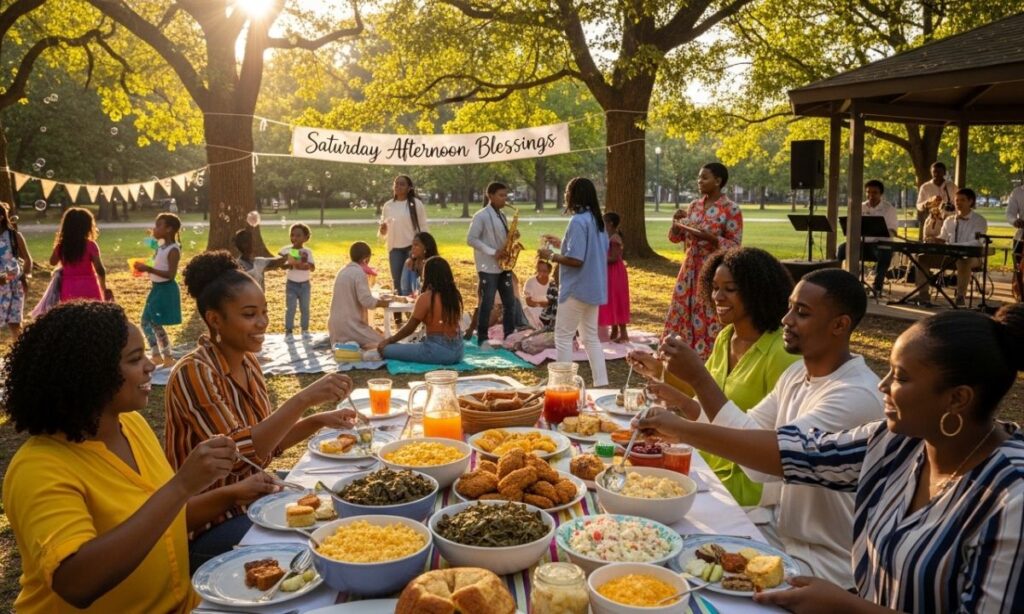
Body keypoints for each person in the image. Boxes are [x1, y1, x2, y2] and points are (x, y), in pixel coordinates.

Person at [639, 305, 1024, 613]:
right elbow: (795, 454)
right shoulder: (898, 441)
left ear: (957, 399)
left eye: (901, 378)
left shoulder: (1011, 497)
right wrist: (681, 427)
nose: (882, 386)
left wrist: (846, 606)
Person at [1, 301, 257, 612]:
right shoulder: (39, 469)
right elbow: (76, 583)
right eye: (135, 359)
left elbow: (159, 519)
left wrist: (233, 495)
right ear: (90, 374)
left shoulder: (131, 425)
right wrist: (182, 485)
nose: (150, 365)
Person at [647, 268, 883, 588]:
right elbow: (749, 429)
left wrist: (698, 382)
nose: (786, 319)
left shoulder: (854, 394)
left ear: (840, 325)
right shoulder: (797, 374)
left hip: (826, 562)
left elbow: (767, 465)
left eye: (801, 312)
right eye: (789, 307)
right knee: (663, 547)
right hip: (776, 532)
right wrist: (686, 406)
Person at [164, 251, 357, 569]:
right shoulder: (194, 372)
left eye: (265, 312)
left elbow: (268, 445)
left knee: (340, 500)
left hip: (252, 498)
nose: (263, 322)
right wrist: (303, 400)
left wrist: (319, 420)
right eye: (250, 314)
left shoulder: (248, 362)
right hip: (208, 524)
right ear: (215, 320)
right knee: (313, 542)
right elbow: (243, 456)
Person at [630, 247, 799, 506]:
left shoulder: (781, 353)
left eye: (730, 289)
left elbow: (779, 447)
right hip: (705, 466)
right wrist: (660, 371)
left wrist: (692, 379)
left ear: (757, 290)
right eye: (715, 287)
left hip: (747, 490)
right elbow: (706, 399)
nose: (718, 296)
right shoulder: (725, 337)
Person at [664, 162, 743, 360]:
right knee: (682, 311)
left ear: (718, 181)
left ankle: (709, 359)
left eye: (705, 177)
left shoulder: (731, 209)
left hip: (712, 271)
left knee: (708, 314)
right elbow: (675, 238)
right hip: (689, 269)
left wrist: (712, 238)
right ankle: (679, 358)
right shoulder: (694, 206)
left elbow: (735, 245)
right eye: (699, 177)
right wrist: (676, 224)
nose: (700, 181)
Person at [538, 177, 610, 387]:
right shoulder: (597, 221)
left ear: (574, 195)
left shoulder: (578, 221)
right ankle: (601, 383)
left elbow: (577, 260)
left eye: (567, 191)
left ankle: (563, 385)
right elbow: (588, 251)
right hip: (593, 288)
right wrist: (561, 244)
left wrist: (550, 255)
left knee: (563, 336)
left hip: (576, 289)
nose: (565, 195)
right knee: (590, 338)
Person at [378, 256, 464, 365]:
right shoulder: (454, 295)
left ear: (428, 275)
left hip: (436, 351)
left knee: (386, 350)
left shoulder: (427, 297)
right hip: (458, 352)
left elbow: (410, 328)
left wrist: (389, 340)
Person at [914, 187, 987, 307]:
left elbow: (977, 242)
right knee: (922, 258)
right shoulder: (949, 220)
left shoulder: (979, 220)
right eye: (956, 200)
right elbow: (942, 237)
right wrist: (935, 240)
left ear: (971, 201)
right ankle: (923, 295)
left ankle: (960, 297)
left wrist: (954, 246)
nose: (958, 203)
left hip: (972, 258)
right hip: (949, 257)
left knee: (963, 261)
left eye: (962, 200)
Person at [467, 181, 516, 346]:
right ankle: (482, 338)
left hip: (503, 265)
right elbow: (471, 239)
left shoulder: (501, 215)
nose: (504, 199)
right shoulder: (480, 216)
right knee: (487, 303)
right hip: (487, 266)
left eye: (505, 195)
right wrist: (493, 251)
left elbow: (501, 238)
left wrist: (512, 237)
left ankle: (509, 336)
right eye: (501, 195)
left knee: (510, 302)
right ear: (490, 196)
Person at [132, 213, 182, 367]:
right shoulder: (162, 246)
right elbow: (156, 260)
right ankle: (162, 356)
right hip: (156, 288)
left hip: (166, 289)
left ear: (169, 229)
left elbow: (171, 275)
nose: (155, 228)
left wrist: (148, 268)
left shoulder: (173, 249)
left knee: (149, 321)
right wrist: (143, 267)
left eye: (159, 225)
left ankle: (162, 355)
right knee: (151, 322)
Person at [835, 180, 897, 298]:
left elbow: (892, 231)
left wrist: (880, 230)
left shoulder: (889, 209)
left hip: (879, 244)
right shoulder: (860, 207)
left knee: (885, 255)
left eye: (875, 193)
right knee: (842, 249)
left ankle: (877, 288)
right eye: (868, 192)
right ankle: (837, 282)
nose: (871, 196)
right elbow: (851, 226)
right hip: (862, 243)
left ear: (881, 194)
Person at [328, 241, 390, 349]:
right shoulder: (359, 273)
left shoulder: (342, 271)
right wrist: (386, 303)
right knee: (384, 342)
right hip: (350, 326)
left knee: (375, 334)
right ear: (365, 259)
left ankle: (350, 344)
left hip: (335, 327)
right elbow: (366, 301)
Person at [379, 175, 429, 298]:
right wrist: (383, 230)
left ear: (409, 188)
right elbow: (384, 232)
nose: (398, 186)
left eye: (402, 184)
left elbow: (422, 227)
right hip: (394, 249)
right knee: (397, 282)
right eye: (396, 184)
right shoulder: (388, 205)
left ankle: (413, 314)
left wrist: (421, 250)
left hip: (411, 249)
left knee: (411, 283)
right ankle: (398, 316)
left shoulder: (416, 204)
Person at [50, 207, 111, 302]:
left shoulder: (62, 246)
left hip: (68, 286)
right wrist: (104, 288)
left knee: (71, 313)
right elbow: (100, 269)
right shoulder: (91, 245)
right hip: (89, 286)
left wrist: (59, 248)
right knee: (90, 312)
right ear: (88, 227)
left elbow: (52, 262)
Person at [0, 202, 31, 339]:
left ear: (1, 217)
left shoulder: (14, 236)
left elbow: (28, 260)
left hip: (15, 286)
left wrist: (25, 277)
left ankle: (19, 355)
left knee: (15, 322)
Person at [599, 212, 631, 343]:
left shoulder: (615, 238)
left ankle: (623, 333)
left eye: (604, 221)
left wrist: (598, 259)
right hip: (608, 272)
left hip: (615, 272)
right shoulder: (607, 236)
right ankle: (614, 329)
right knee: (611, 299)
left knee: (617, 299)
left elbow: (614, 257)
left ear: (610, 223)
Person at [278, 223, 315, 336]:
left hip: (305, 285)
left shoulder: (307, 252)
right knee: (291, 308)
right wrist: (290, 264)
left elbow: (313, 267)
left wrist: (306, 264)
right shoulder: (286, 250)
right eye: (292, 235)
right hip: (291, 285)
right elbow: (280, 264)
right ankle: (289, 330)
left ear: (306, 238)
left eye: (298, 235)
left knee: (305, 308)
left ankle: (305, 330)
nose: (294, 238)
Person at [915, 161, 958, 233]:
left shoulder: (952, 186)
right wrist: (928, 202)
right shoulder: (925, 187)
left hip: (949, 222)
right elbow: (918, 206)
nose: (936, 174)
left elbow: (958, 205)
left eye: (939, 172)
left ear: (944, 173)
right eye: (934, 172)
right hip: (932, 223)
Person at [401, 231, 438, 296]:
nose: (412, 248)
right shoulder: (410, 264)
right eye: (412, 245)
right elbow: (405, 291)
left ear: (426, 247)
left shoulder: (435, 265)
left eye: (416, 245)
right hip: (412, 302)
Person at [522, 258, 552, 329]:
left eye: (544, 271)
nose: (541, 273)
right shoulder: (530, 282)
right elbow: (529, 302)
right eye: (539, 270)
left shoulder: (552, 283)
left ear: (549, 272)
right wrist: (541, 304)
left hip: (547, 310)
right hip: (533, 309)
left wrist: (547, 306)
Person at [1005, 182, 1024, 267]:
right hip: (1022, 235)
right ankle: (1019, 279)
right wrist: (1015, 221)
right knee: (1018, 265)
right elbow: (1009, 213)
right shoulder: (1017, 192)